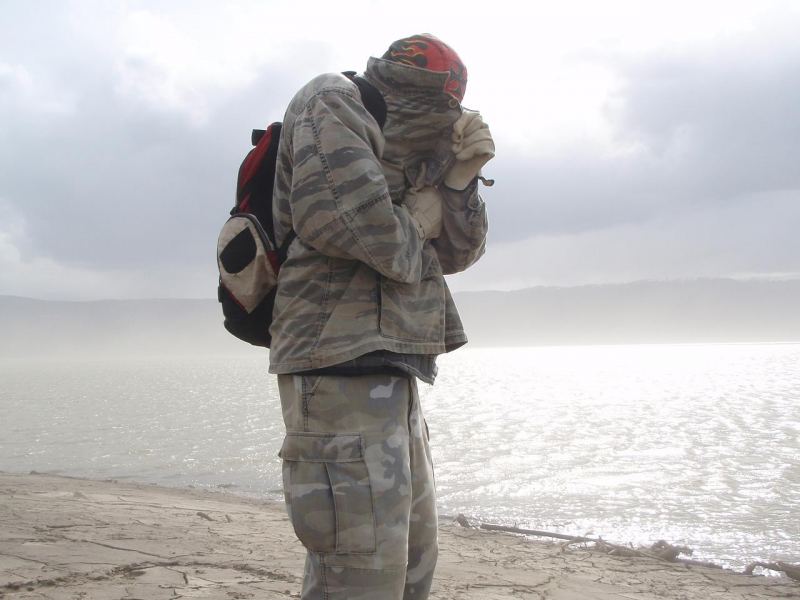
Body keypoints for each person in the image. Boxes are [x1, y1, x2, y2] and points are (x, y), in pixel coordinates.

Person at [269, 34, 493, 599]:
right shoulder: (333, 101)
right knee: (359, 573)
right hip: (336, 360)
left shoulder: (410, 145)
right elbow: (356, 227)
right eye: (439, 111)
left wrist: (460, 177)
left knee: (411, 565)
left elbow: (459, 255)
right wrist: (421, 218)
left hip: (391, 367)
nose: (447, 123)